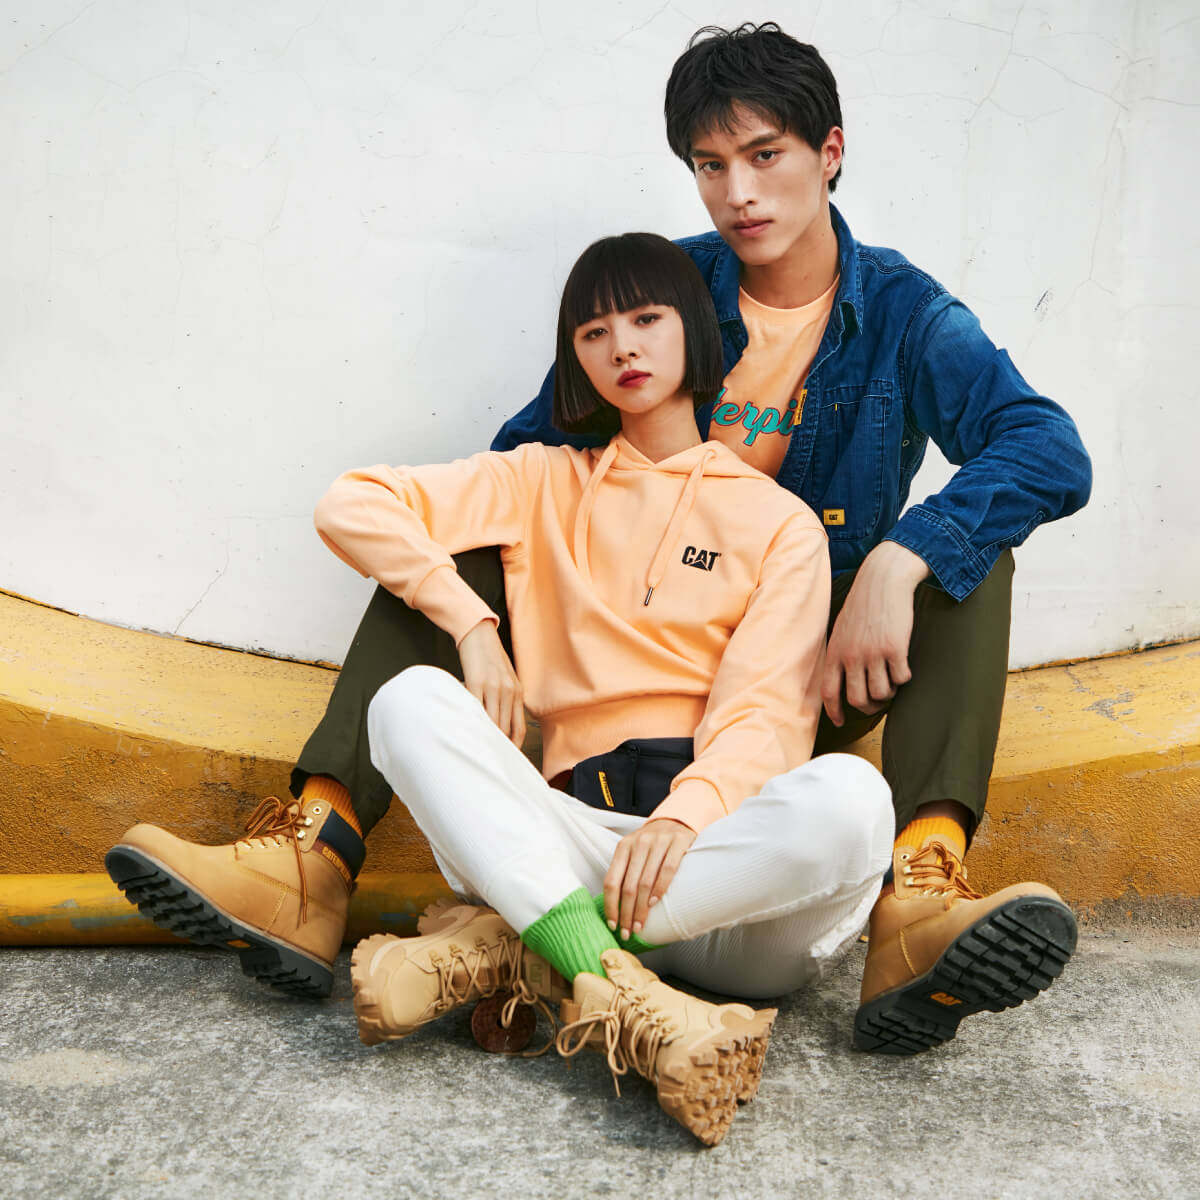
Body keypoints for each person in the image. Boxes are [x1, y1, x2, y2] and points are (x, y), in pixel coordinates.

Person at [108, 22, 1089, 1059]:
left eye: (766, 156)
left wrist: (902, 555)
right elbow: (530, 460)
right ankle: (315, 851)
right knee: (461, 543)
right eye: (710, 166)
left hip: (806, 671)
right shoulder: (665, 288)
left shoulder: (903, 317)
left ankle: (918, 891)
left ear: (829, 152)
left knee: (969, 555)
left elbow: (1046, 448)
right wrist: (486, 624)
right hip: (622, 707)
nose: (740, 193)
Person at [118, 232, 900, 1146]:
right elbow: (352, 503)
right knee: (407, 702)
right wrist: (472, 625)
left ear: (693, 328)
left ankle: (526, 948)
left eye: (646, 320)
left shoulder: (779, 523)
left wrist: (687, 818)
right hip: (565, 838)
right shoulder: (540, 479)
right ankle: (614, 980)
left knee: (855, 801)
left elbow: (765, 716)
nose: (623, 348)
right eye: (594, 333)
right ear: (576, 359)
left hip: (723, 884)